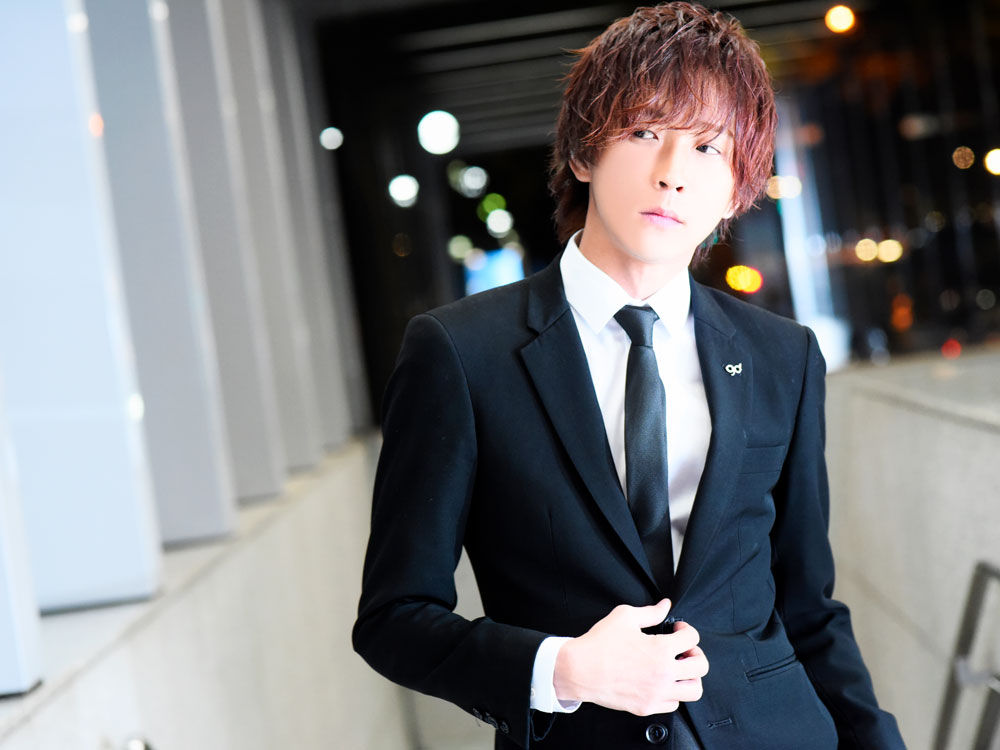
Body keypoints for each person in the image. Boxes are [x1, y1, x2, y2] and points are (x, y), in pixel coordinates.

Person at [353, 3, 906, 749]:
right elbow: (394, 618)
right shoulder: (460, 353)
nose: (673, 174)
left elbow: (808, 607)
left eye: (708, 147)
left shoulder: (783, 355)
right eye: (645, 132)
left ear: (737, 186)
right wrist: (562, 670)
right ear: (584, 154)